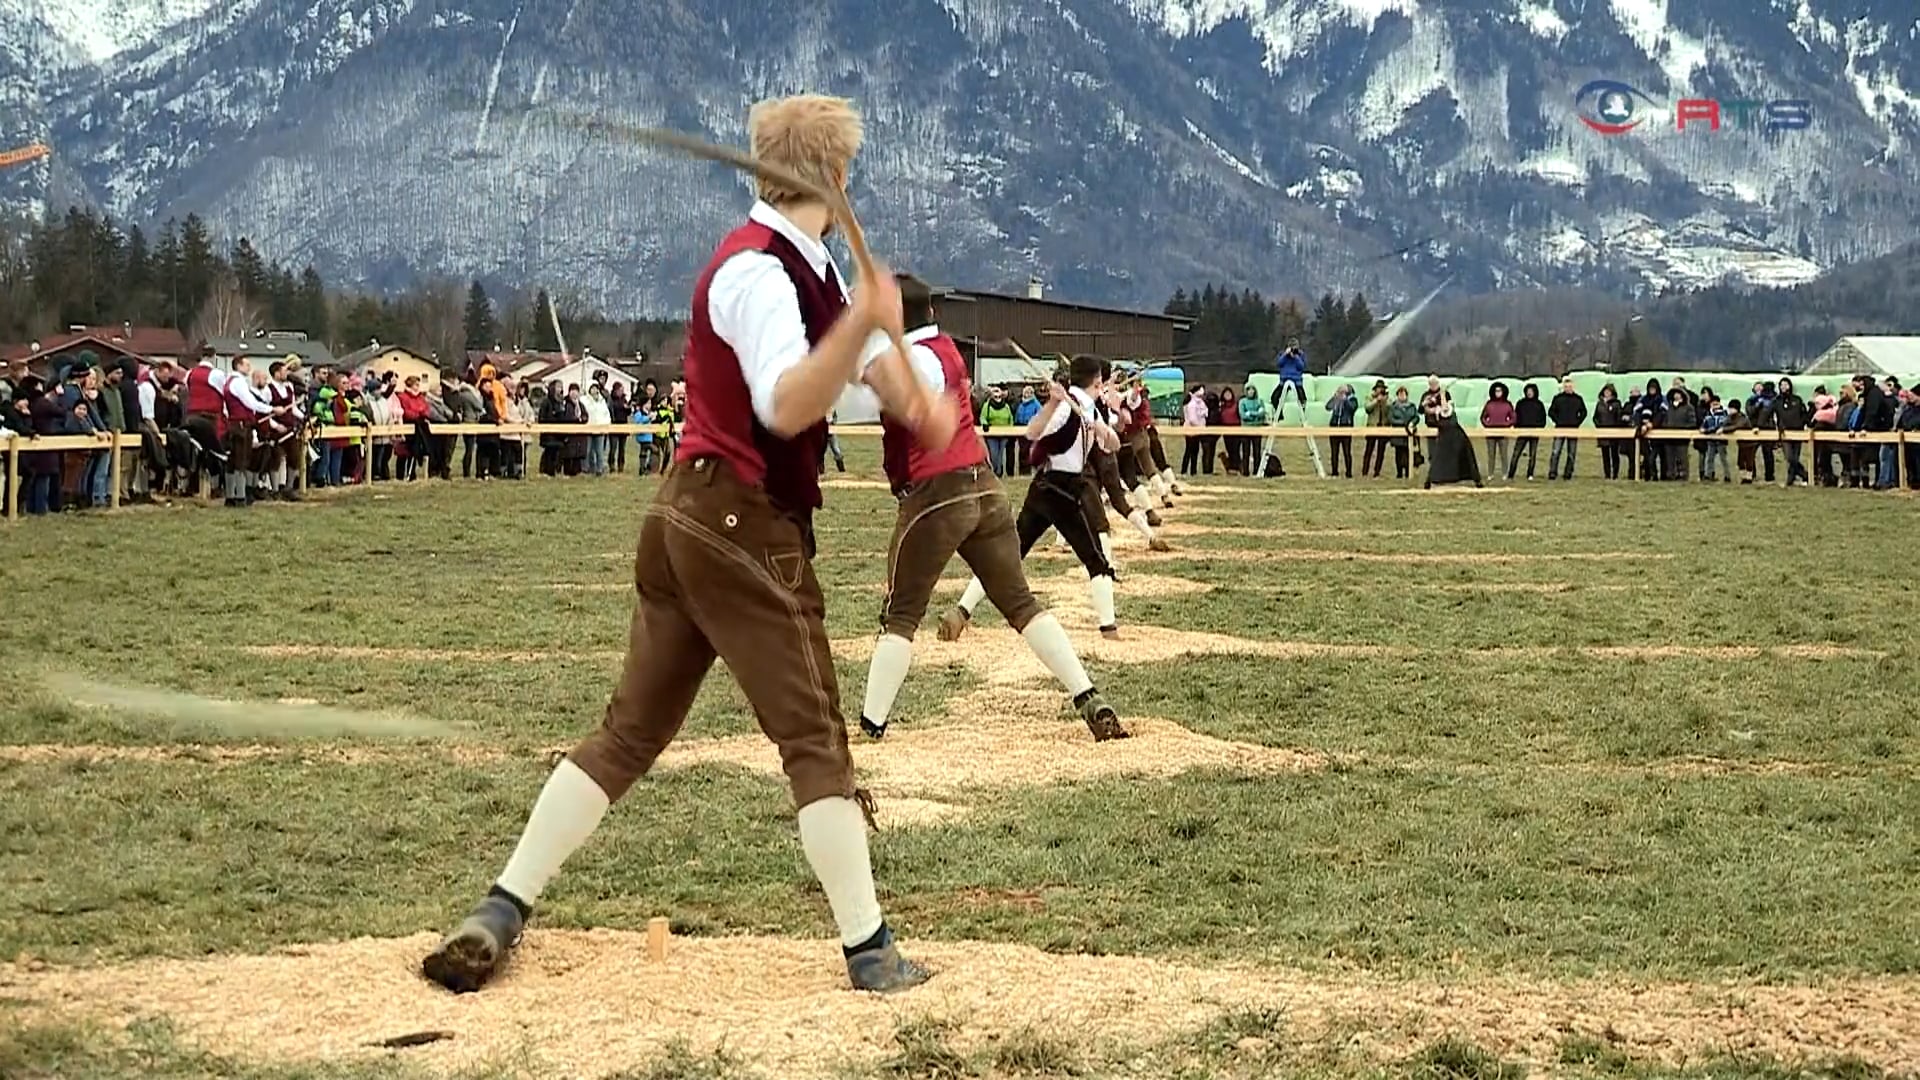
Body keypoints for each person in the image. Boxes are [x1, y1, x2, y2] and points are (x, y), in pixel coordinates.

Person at [423, 93, 949, 999]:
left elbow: (900, 406)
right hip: (741, 525)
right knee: (816, 740)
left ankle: (502, 907)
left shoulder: (812, 271)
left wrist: (899, 362)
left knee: (628, 735)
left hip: (687, 524)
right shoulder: (755, 274)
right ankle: (871, 950)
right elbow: (787, 401)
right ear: (838, 175)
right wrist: (867, 328)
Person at [861, 278, 1125, 743]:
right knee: (1022, 604)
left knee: (901, 614)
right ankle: (1087, 695)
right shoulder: (944, 349)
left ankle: (871, 725)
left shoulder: (914, 360)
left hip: (935, 497)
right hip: (984, 486)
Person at [940, 354, 1126, 642]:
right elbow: (1032, 432)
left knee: (1006, 557)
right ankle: (1109, 630)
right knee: (1096, 562)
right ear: (1098, 382)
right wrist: (1053, 403)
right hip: (1057, 490)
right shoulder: (1066, 408)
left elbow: (1113, 444)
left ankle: (962, 611)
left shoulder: (1090, 410)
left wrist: (1102, 429)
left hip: (1050, 490)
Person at [1419, 377, 1481, 489]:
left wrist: (1442, 394)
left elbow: (1445, 409)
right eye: (1431, 383)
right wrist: (1425, 403)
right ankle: (1430, 481)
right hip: (1441, 430)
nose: (1433, 385)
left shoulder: (1448, 405)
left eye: (1435, 383)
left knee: (1465, 454)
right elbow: (1425, 410)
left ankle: (1475, 479)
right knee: (1436, 456)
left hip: (1454, 432)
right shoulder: (1427, 396)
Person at [1546, 378, 1587, 480]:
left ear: (1573, 387)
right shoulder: (1558, 398)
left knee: (1571, 453)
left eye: (1570, 386)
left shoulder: (1578, 399)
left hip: (1573, 429)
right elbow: (1551, 412)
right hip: (1559, 428)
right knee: (1556, 451)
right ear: (1563, 387)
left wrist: (1577, 422)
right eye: (1566, 386)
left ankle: (1568, 473)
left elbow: (1583, 412)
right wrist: (1557, 421)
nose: (1568, 388)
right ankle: (1552, 472)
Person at [1774, 377, 1810, 486]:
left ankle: (1791, 479)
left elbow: (1804, 413)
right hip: (1785, 432)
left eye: (1786, 384)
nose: (1783, 387)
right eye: (1781, 385)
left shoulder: (1797, 400)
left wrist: (1804, 423)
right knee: (1789, 457)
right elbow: (1769, 413)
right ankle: (1805, 474)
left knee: (1795, 456)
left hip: (1798, 431)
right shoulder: (1777, 401)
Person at [1508, 383, 1545, 481]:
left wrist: (1539, 427)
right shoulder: (1521, 403)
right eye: (1528, 391)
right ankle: (1511, 474)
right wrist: (1517, 427)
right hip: (1522, 431)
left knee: (1532, 454)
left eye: (1531, 391)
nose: (1529, 393)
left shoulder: (1539, 404)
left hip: (1535, 431)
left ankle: (1530, 474)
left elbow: (1543, 417)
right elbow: (1517, 416)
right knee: (1516, 453)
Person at [1479, 381, 1515, 479]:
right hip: (1490, 432)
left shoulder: (1508, 404)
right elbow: (1483, 417)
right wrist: (1488, 424)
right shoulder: (1489, 404)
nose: (1498, 392)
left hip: (1503, 432)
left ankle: (1504, 473)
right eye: (1496, 391)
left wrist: (1506, 425)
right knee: (1491, 454)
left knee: (1503, 454)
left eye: (1500, 390)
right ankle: (1490, 474)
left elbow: (1513, 417)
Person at [1592, 383, 1627, 480]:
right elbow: (1595, 417)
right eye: (1605, 391)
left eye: (1609, 392)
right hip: (1602, 433)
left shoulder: (1616, 404)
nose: (1607, 393)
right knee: (1605, 455)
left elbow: (1619, 417)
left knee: (1614, 454)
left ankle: (1615, 474)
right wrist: (1599, 425)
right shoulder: (1599, 404)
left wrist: (1615, 428)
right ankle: (1607, 474)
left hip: (1613, 433)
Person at [979, 385, 1016, 476]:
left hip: (1004, 434)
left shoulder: (1006, 406)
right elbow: (983, 417)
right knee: (994, 454)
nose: (997, 398)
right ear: (992, 396)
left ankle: (998, 473)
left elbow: (1010, 418)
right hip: (992, 434)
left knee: (1000, 455)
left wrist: (1010, 429)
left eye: (999, 396)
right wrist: (985, 424)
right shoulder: (987, 406)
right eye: (995, 396)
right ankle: (995, 471)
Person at [1324, 383, 1357, 478]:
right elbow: (1328, 407)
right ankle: (1334, 471)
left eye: (1343, 391)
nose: (1341, 393)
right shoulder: (1336, 399)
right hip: (1334, 426)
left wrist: (1345, 400)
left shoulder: (1352, 399)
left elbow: (1352, 409)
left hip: (1345, 426)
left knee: (1347, 451)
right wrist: (1334, 397)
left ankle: (1349, 472)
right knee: (1334, 451)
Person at [1387, 386, 1418, 478]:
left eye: (1403, 394)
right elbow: (1391, 418)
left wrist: (1412, 423)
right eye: (1400, 394)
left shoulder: (1412, 406)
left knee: (1408, 453)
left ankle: (1408, 472)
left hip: (1409, 433)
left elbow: (1416, 416)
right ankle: (1399, 472)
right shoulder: (1393, 407)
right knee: (1398, 453)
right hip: (1398, 434)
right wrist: (1403, 423)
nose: (1402, 396)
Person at [1237, 383, 1267, 478]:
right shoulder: (1242, 402)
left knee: (1257, 451)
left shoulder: (1259, 401)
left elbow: (1262, 414)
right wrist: (1256, 414)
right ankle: (1245, 471)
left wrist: (1251, 413)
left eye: (1252, 389)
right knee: (1246, 452)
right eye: (1249, 390)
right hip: (1245, 430)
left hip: (1257, 429)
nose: (1251, 391)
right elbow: (1243, 416)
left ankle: (1257, 471)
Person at [1360, 380, 1389, 478]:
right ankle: (1365, 470)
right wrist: (1376, 401)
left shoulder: (1387, 399)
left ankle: (1377, 471)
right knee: (1369, 450)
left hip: (1383, 427)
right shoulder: (1370, 397)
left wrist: (1384, 401)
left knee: (1381, 451)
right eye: (1378, 389)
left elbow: (1390, 408)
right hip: (1372, 426)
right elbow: (1367, 408)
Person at [583, 381, 612, 476]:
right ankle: (587, 469)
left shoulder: (602, 401)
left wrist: (606, 425)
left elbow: (606, 415)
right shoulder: (584, 400)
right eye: (592, 388)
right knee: (587, 451)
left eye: (596, 388)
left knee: (599, 451)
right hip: (588, 429)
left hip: (600, 429)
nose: (594, 390)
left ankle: (600, 469)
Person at [1698, 390, 1728, 482]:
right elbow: (1704, 424)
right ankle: (1708, 474)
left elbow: (1719, 426)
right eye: (1713, 404)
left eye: (1717, 404)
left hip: (1721, 440)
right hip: (1710, 440)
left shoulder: (1724, 415)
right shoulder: (1708, 415)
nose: (1715, 406)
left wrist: (1706, 431)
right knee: (1709, 458)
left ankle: (1727, 475)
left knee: (1723, 459)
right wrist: (1702, 429)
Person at [1012, 383, 1041, 475]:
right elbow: (1017, 415)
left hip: (1030, 428)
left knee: (1028, 451)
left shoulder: (1036, 404)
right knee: (1022, 451)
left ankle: (1027, 472)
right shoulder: (1021, 404)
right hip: (1021, 428)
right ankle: (1022, 471)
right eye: (1026, 392)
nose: (1027, 394)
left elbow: (1040, 416)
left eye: (1029, 392)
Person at [1273, 338, 1307, 411]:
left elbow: (1301, 367)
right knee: (1274, 397)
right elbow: (1279, 364)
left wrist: (1295, 357)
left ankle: (1302, 416)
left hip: (1296, 381)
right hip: (1284, 379)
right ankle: (1279, 415)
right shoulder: (1283, 354)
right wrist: (1285, 355)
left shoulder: (1301, 355)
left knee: (1303, 399)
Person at [1179, 385, 1207, 475]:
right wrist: (1199, 425)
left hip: (1197, 430)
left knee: (1195, 450)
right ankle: (1184, 470)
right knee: (1189, 450)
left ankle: (1193, 471)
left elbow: (1205, 411)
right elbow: (1192, 419)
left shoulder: (1200, 402)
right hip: (1191, 429)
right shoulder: (1192, 403)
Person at [1217, 383, 1241, 474]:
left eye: (1229, 394)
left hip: (1236, 430)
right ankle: (1231, 467)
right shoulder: (1221, 407)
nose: (1228, 396)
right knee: (1229, 449)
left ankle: (1237, 467)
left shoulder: (1236, 405)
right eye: (1226, 394)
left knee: (1236, 449)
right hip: (1226, 431)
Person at [607, 382, 631, 473]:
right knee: (613, 448)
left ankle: (621, 465)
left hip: (623, 425)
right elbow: (611, 409)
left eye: (622, 390)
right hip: (614, 425)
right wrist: (622, 406)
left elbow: (628, 412)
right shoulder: (611, 399)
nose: (621, 392)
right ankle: (611, 465)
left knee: (622, 448)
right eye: (620, 390)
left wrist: (628, 408)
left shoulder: (624, 399)